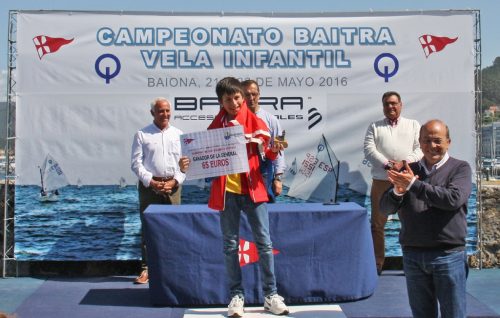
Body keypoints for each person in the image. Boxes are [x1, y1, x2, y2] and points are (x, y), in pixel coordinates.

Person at [179, 77, 289, 317]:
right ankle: (236, 296)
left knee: (264, 244)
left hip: (253, 191)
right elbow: (200, 157)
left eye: (237, 97)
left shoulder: (257, 122)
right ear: (221, 101)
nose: (235, 103)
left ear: (243, 97)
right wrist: (187, 162)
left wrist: (274, 149)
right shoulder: (215, 126)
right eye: (228, 99)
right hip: (227, 193)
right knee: (230, 246)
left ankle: (271, 295)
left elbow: (270, 155)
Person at [380, 119, 472, 318]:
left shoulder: (460, 169)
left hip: (448, 256)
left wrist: (413, 184)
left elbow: (452, 199)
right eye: (426, 141)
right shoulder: (407, 171)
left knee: (454, 314)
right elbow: (385, 208)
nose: (432, 146)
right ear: (419, 143)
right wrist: (397, 191)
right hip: (413, 256)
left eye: (437, 140)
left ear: (449, 142)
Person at [363, 91, 422, 275]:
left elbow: (420, 149)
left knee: (410, 222)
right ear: (383, 107)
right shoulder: (374, 126)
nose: (391, 106)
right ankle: (377, 264)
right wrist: (388, 164)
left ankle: (412, 264)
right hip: (382, 180)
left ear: (401, 105)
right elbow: (369, 149)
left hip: (407, 180)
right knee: (377, 225)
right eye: (387, 104)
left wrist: (403, 163)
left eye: (394, 103)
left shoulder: (413, 125)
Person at [131, 97, 186, 284]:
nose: (165, 114)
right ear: (152, 113)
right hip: (149, 188)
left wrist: (175, 181)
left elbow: (185, 165)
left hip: (173, 187)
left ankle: (174, 268)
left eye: (167, 110)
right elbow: (136, 164)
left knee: (174, 228)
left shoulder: (179, 134)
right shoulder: (142, 134)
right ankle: (147, 269)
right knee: (149, 229)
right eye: (161, 111)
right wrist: (151, 181)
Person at [241, 80, 286, 202]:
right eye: (247, 94)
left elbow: (279, 150)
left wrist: (278, 178)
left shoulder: (271, 120)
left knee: (264, 212)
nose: (251, 97)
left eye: (254, 94)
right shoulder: (236, 119)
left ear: (259, 95)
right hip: (241, 176)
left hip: (264, 174)